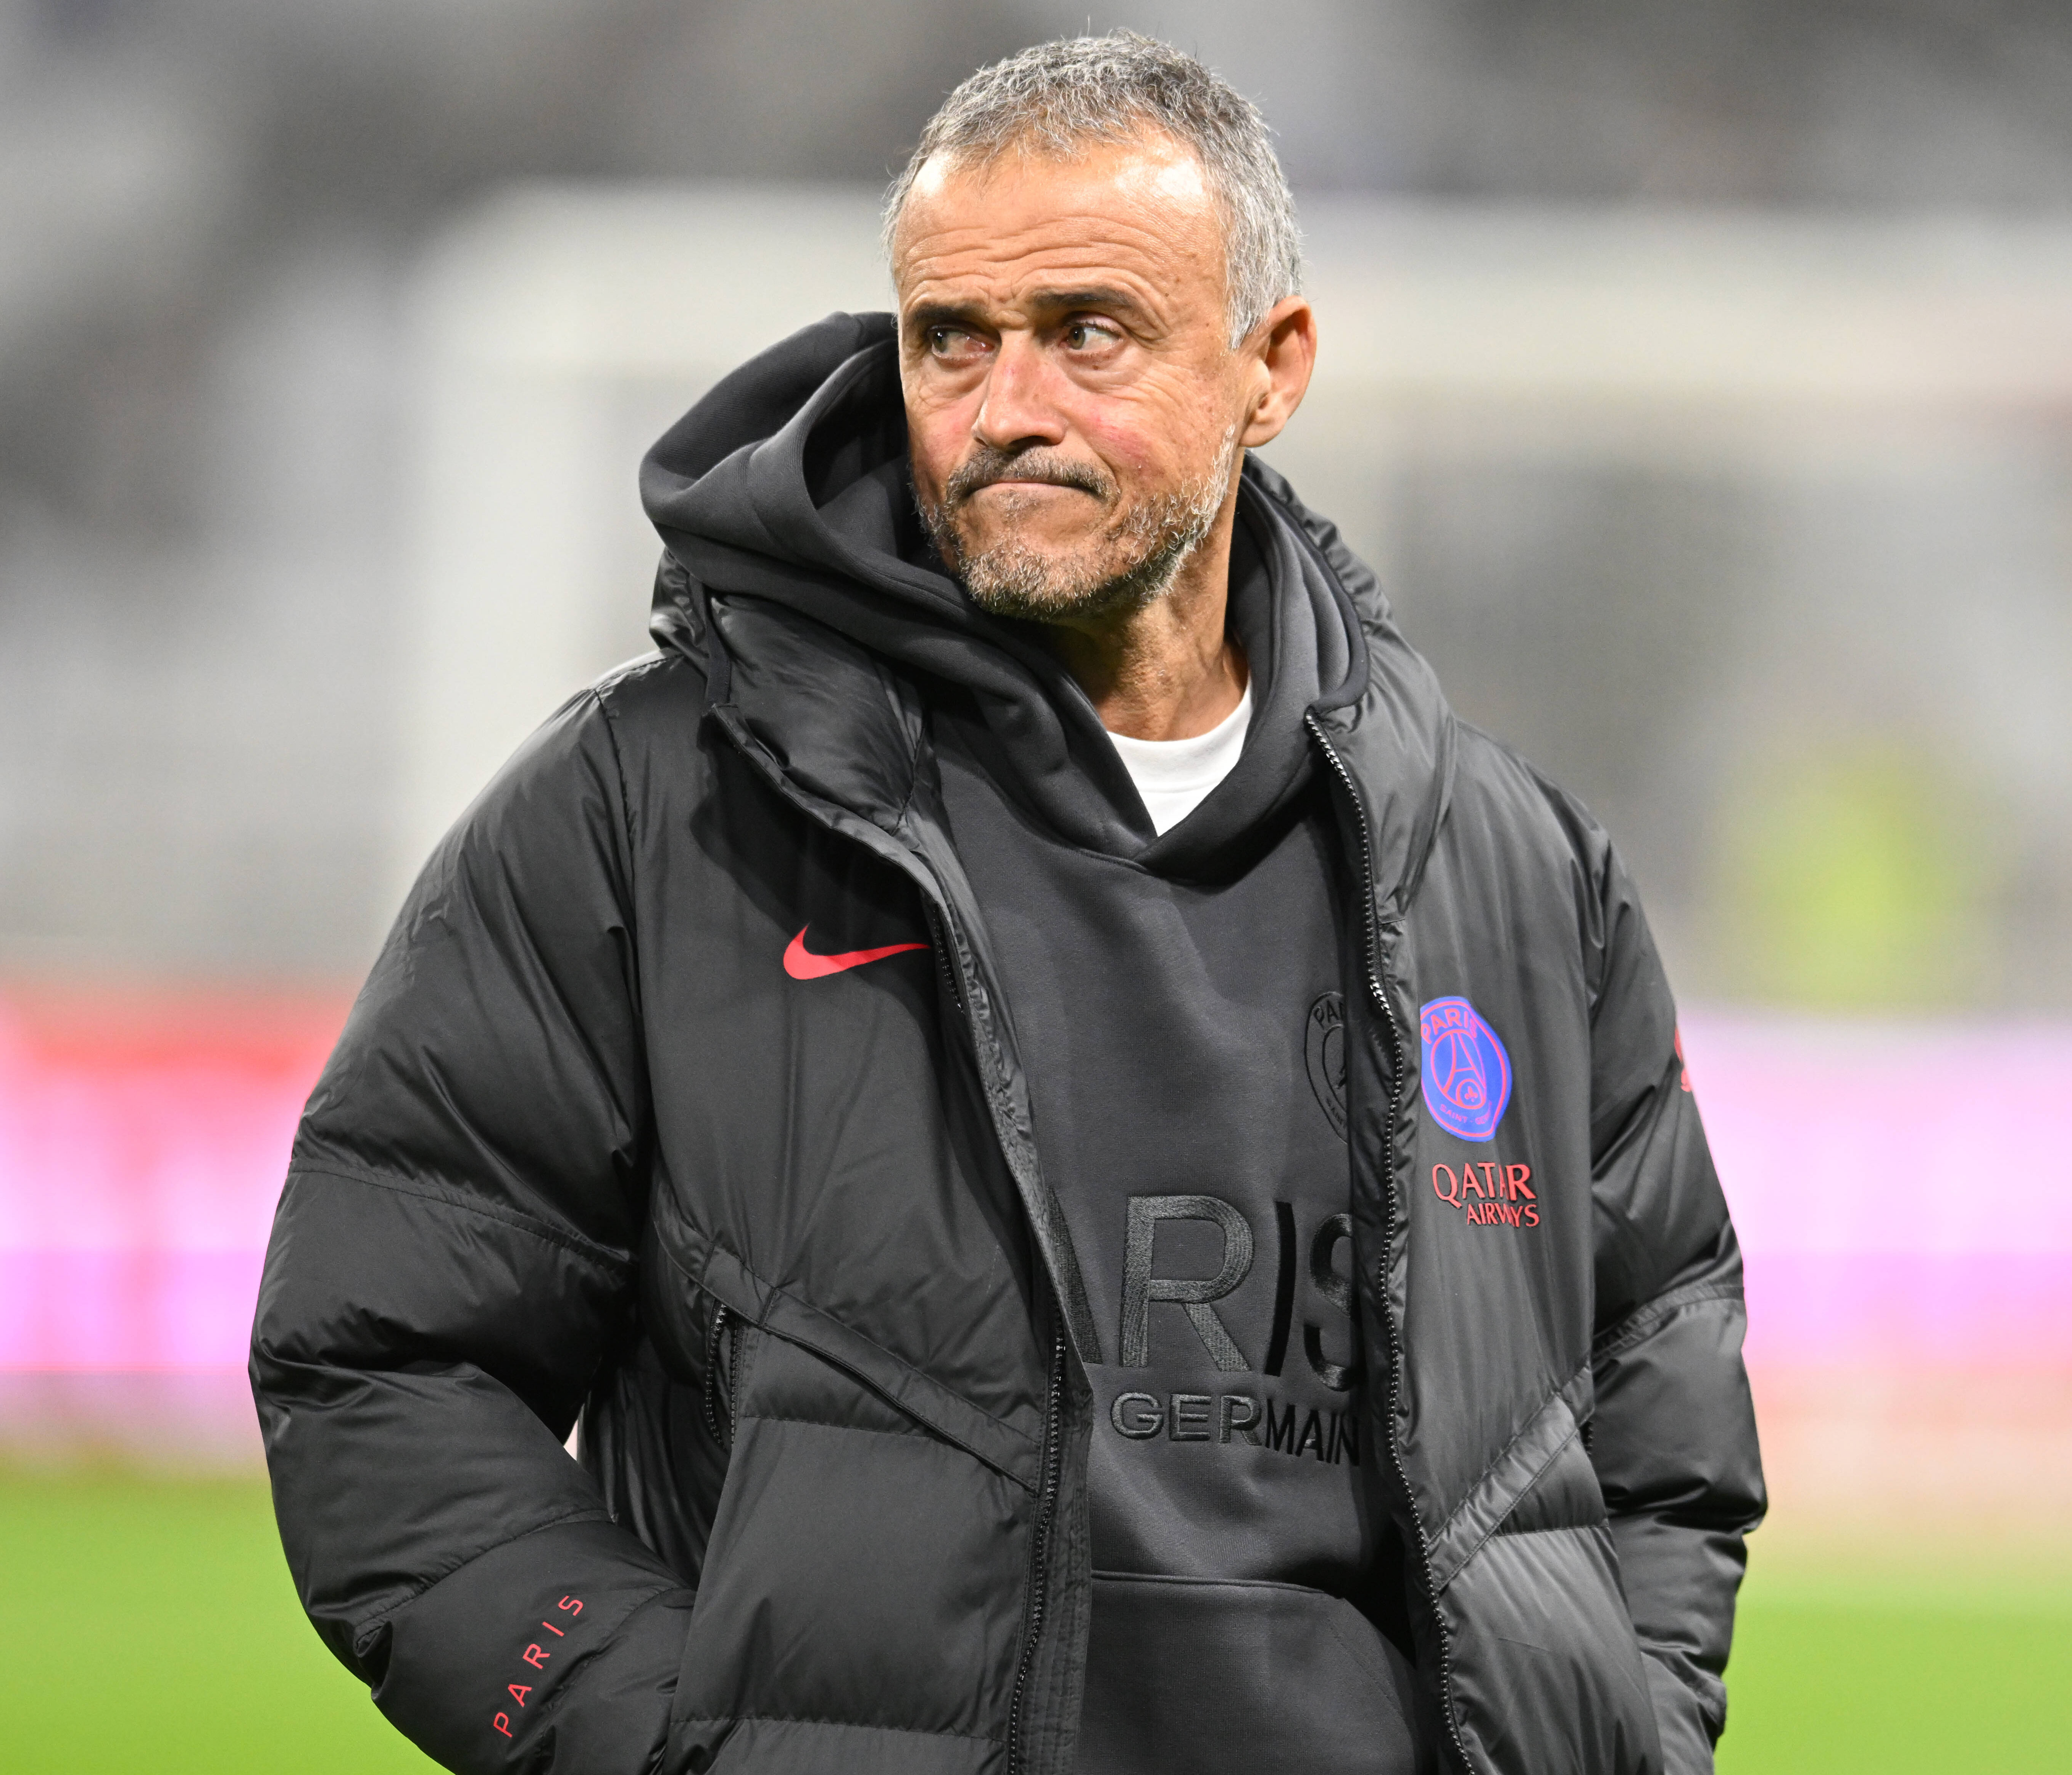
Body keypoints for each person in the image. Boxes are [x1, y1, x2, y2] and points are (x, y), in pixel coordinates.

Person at [253, 32, 1764, 1775]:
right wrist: (680, 1744)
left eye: (1089, 332)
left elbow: (1658, 1396)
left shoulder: (1518, 870)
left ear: (1272, 369)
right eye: (951, 340)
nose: (1006, 406)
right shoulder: (649, 807)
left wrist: (1619, 1731)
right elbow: (381, 1355)